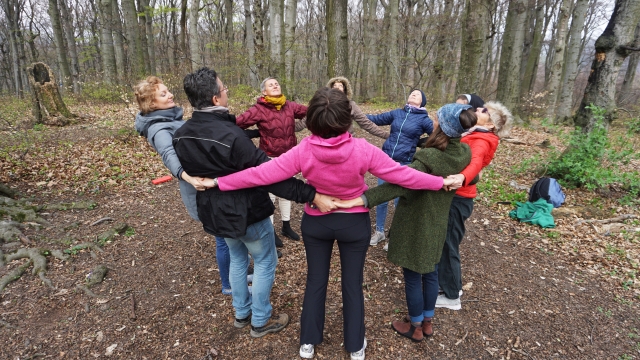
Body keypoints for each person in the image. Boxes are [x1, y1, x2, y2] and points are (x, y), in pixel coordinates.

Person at [208, 88, 459, 359]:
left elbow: (261, 174)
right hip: (354, 225)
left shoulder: (304, 150)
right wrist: (440, 182)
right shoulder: (363, 150)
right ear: (347, 120)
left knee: (316, 281)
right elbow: (403, 175)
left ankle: (308, 342)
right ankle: (355, 346)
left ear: (313, 120)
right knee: (352, 284)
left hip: (317, 225)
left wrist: (218, 182)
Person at [172, 67, 334, 338]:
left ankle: (241, 313)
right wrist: (311, 194)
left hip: (214, 212)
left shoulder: (182, 133)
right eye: (223, 90)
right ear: (214, 99)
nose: (226, 93)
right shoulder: (231, 136)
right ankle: (260, 320)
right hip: (245, 211)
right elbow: (270, 176)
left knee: (237, 258)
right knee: (264, 261)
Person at [335, 103, 476, 342]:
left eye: (436, 118)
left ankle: (415, 326)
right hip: (438, 221)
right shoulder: (463, 154)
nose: (433, 121)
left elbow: (399, 183)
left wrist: (363, 198)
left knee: (412, 275)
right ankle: (428, 321)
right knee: (430, 272)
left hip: (415, 222)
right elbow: (475, 175)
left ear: (441, 125)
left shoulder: (428, 157)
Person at [133, 76, 236, 295]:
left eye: (167, 91)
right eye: (163, 94)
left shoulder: (171, 119)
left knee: (228, 235)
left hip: (207, 185)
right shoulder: (158, 128)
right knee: (224, 238)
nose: (170, 95)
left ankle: (236, 274)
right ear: (152, 104)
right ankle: (228, 283)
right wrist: (187, 177)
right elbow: (168, 153)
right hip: (200, 190)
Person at [436, 101, 513, 311]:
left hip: (459, 197)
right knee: (447, 242)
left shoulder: (482, 139)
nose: (478, 109)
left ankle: (452, 297)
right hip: (458, 196)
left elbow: (475, 163)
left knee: (448, 245)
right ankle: (451, 286)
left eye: (485, 111)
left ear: (491, 125)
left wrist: (461, 177)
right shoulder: (475, 134)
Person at [235, 77, 306, 243]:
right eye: (270, 85)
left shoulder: (289, 105)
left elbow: (310, 111)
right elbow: (238, 124)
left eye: (277, 83)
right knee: (271, 194)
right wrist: (255, 133)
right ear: (264, 92)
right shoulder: (258, 109)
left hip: (289, 156)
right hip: (269, 157)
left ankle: (286, 226)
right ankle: (271, 230)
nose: (275, 85)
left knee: (287, 192)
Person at [365, 89, 434, 249]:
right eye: (412, 93)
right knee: (382, 197)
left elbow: (435, 136)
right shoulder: (398, 113)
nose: (413, 94)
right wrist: (355, 115)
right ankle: (379, 232)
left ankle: (395, 237)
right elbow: (376, 119)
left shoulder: (424, 120)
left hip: (405, 163)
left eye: (417, 94)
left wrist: (417, 142)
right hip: (386, 161)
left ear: (422, 101)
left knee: (399, 201)